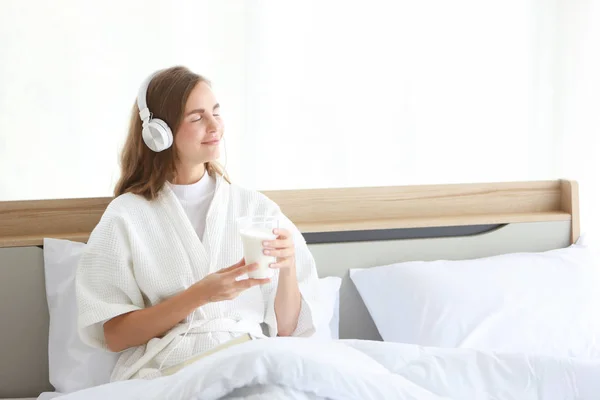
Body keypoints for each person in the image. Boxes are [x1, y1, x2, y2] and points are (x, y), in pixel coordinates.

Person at [75, 66, 321, 382]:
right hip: (170, 371)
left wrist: (287, 268)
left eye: (216, 113)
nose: (214, 125)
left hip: (248, 361)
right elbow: (115, 336)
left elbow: (288, 329)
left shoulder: (256, 208)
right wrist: (198, 296)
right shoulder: (125, 217)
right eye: (197, 118)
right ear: (159, 134)